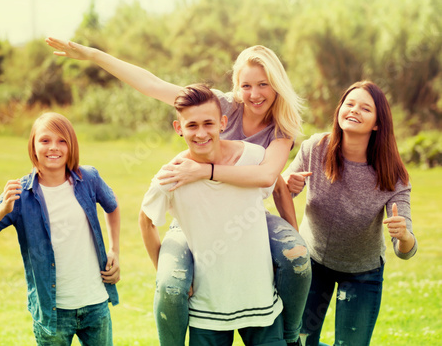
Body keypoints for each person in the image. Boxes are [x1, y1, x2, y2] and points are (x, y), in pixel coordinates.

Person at [46, 37, 311, 346]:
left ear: (277, 84)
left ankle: (290, 337)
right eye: (246, 85)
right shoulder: (222, 105)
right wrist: (93, 55)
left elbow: (269, 177)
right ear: (236, 87)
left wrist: (204, 170)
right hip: (194, 215)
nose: (254, 94)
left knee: (298, 259)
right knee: (171, 285)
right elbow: (152, 85)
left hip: (246, 215)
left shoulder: (281, 127)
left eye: (263, 84)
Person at [139, 84, 286, 345]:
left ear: (222, 123)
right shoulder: (172, 175)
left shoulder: (253, 157)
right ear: (178, 128)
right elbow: (146, 219)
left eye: (208, 123)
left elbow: (276, 185)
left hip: (260, 300)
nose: (201, 133)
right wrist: (161, 268)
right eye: (192, 125)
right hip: (207, 309)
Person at [282, 81, 418, 346]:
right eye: (350, 104)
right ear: (340, 110)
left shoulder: (393, 174)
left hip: (362, 273)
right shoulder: (316, 148)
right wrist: (288, 184)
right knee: (298, 341)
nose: (354, 110)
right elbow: (284, 188)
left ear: (378, 123)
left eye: (365, 108)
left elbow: (406, 250)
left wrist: (403, 235)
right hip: (312, 263)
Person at [0, 112, 121, 346]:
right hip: (52, 313)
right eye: (45, 140)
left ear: (71, 146)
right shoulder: (20, 193)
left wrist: (114, 250)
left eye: (62, 141)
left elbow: (112, 206)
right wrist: (3, 210)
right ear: (33, 146)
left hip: (95, 304)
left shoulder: (88, 178)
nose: (54, 147)